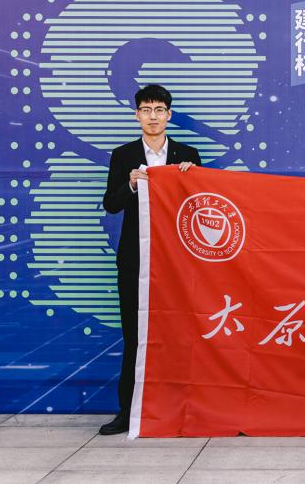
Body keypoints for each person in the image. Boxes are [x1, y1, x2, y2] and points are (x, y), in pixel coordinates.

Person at [99, 84, 201, 435]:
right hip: (135, 260)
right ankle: (128, 412)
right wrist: (130, 184)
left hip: (177, 260)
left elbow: (201, 206)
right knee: (135, 335)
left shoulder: (187, 155)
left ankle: (183, 407)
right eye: (146, 110)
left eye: (159, 110)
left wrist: (192, 179)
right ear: (137, 115)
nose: (153, 116)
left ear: (169, 115)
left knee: (180, 334)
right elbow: (111, 204)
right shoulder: (123, 155)